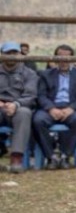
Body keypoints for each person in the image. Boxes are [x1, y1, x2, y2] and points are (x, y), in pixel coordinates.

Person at [33, 44, 76, 169]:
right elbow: (41, 95)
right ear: (55, 58)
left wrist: (71, 108)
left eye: (67, 57)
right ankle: (50, 156)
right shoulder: (45, 74)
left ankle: (66, 155)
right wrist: (51, 108)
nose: (64, 60)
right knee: (37, 120)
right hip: (50, 108)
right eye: (60, 56)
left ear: (72, 59)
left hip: (71, 109)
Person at [0, 41, 38, 173]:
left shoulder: (29, 73)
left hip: (18, 107)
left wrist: (16, 104)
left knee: (24, 113)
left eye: (14, 53)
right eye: (7, 53)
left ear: (19, 55)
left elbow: (31, 95)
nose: (11, 56)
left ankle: (16, 157)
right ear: (1, 54)